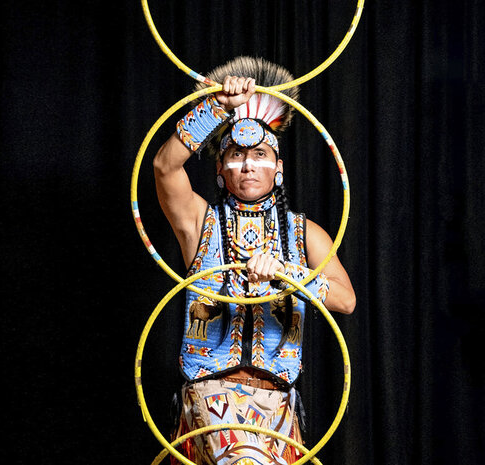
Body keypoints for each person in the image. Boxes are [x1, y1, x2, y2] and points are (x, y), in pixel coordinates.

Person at [153, 57, 355, 465]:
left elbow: (346, 301)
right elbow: (163, 166)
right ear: (220, 169)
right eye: (237, 154)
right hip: (209, 398)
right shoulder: (198, 222)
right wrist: (218, 107)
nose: (248, 164)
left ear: (279, 169)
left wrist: (290, 274)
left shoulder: (305, 234)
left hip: (276, 404)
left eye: (260, 153)